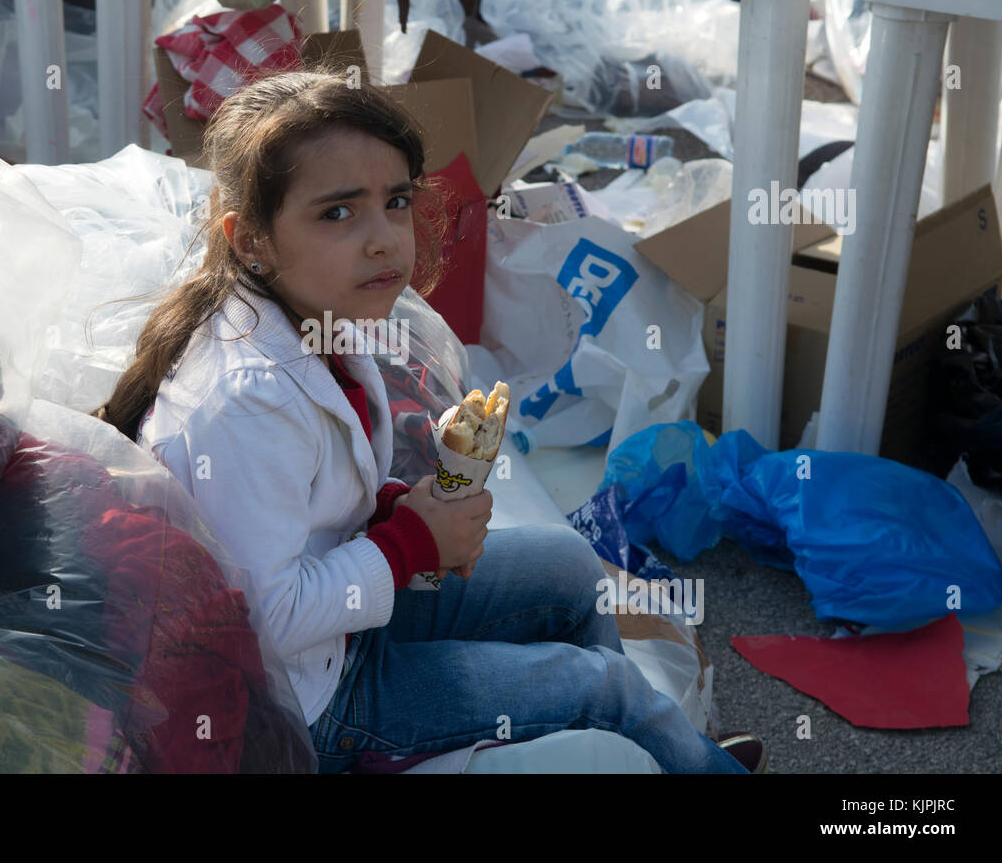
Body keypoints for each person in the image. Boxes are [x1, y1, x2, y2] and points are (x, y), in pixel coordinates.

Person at [96, 68, 763, 774]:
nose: (385, 238)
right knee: (601, 686)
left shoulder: (324, 320)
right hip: (307, 700)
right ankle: (638, 735)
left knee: (569, 566)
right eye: (338, 213)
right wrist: (412, 540)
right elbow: (271, 617)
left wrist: (398, 509)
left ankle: (641, 749)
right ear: (251, 239)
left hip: (341, 630)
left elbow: (316, 508)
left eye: (396, 201)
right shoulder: (245, 398)